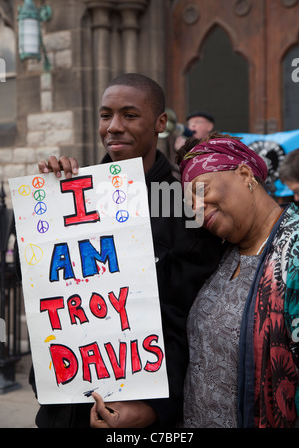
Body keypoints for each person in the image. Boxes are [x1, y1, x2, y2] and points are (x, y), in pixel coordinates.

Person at [31, 73, 223, 428]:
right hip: (68, 403)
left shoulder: (186, 205)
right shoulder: (74, 194)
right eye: (106, 115)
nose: (114, 127)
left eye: (130, 115)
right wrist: (46, 201)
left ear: (160, 122)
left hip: (146, 410)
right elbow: (38, 283)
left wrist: (155, 410)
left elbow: (196, 323)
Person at [176, 132, 299, 428]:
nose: (195, 207)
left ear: (245, 174)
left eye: (201, 190)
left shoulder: (294, 252)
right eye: (188, 202)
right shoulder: (222, 253)